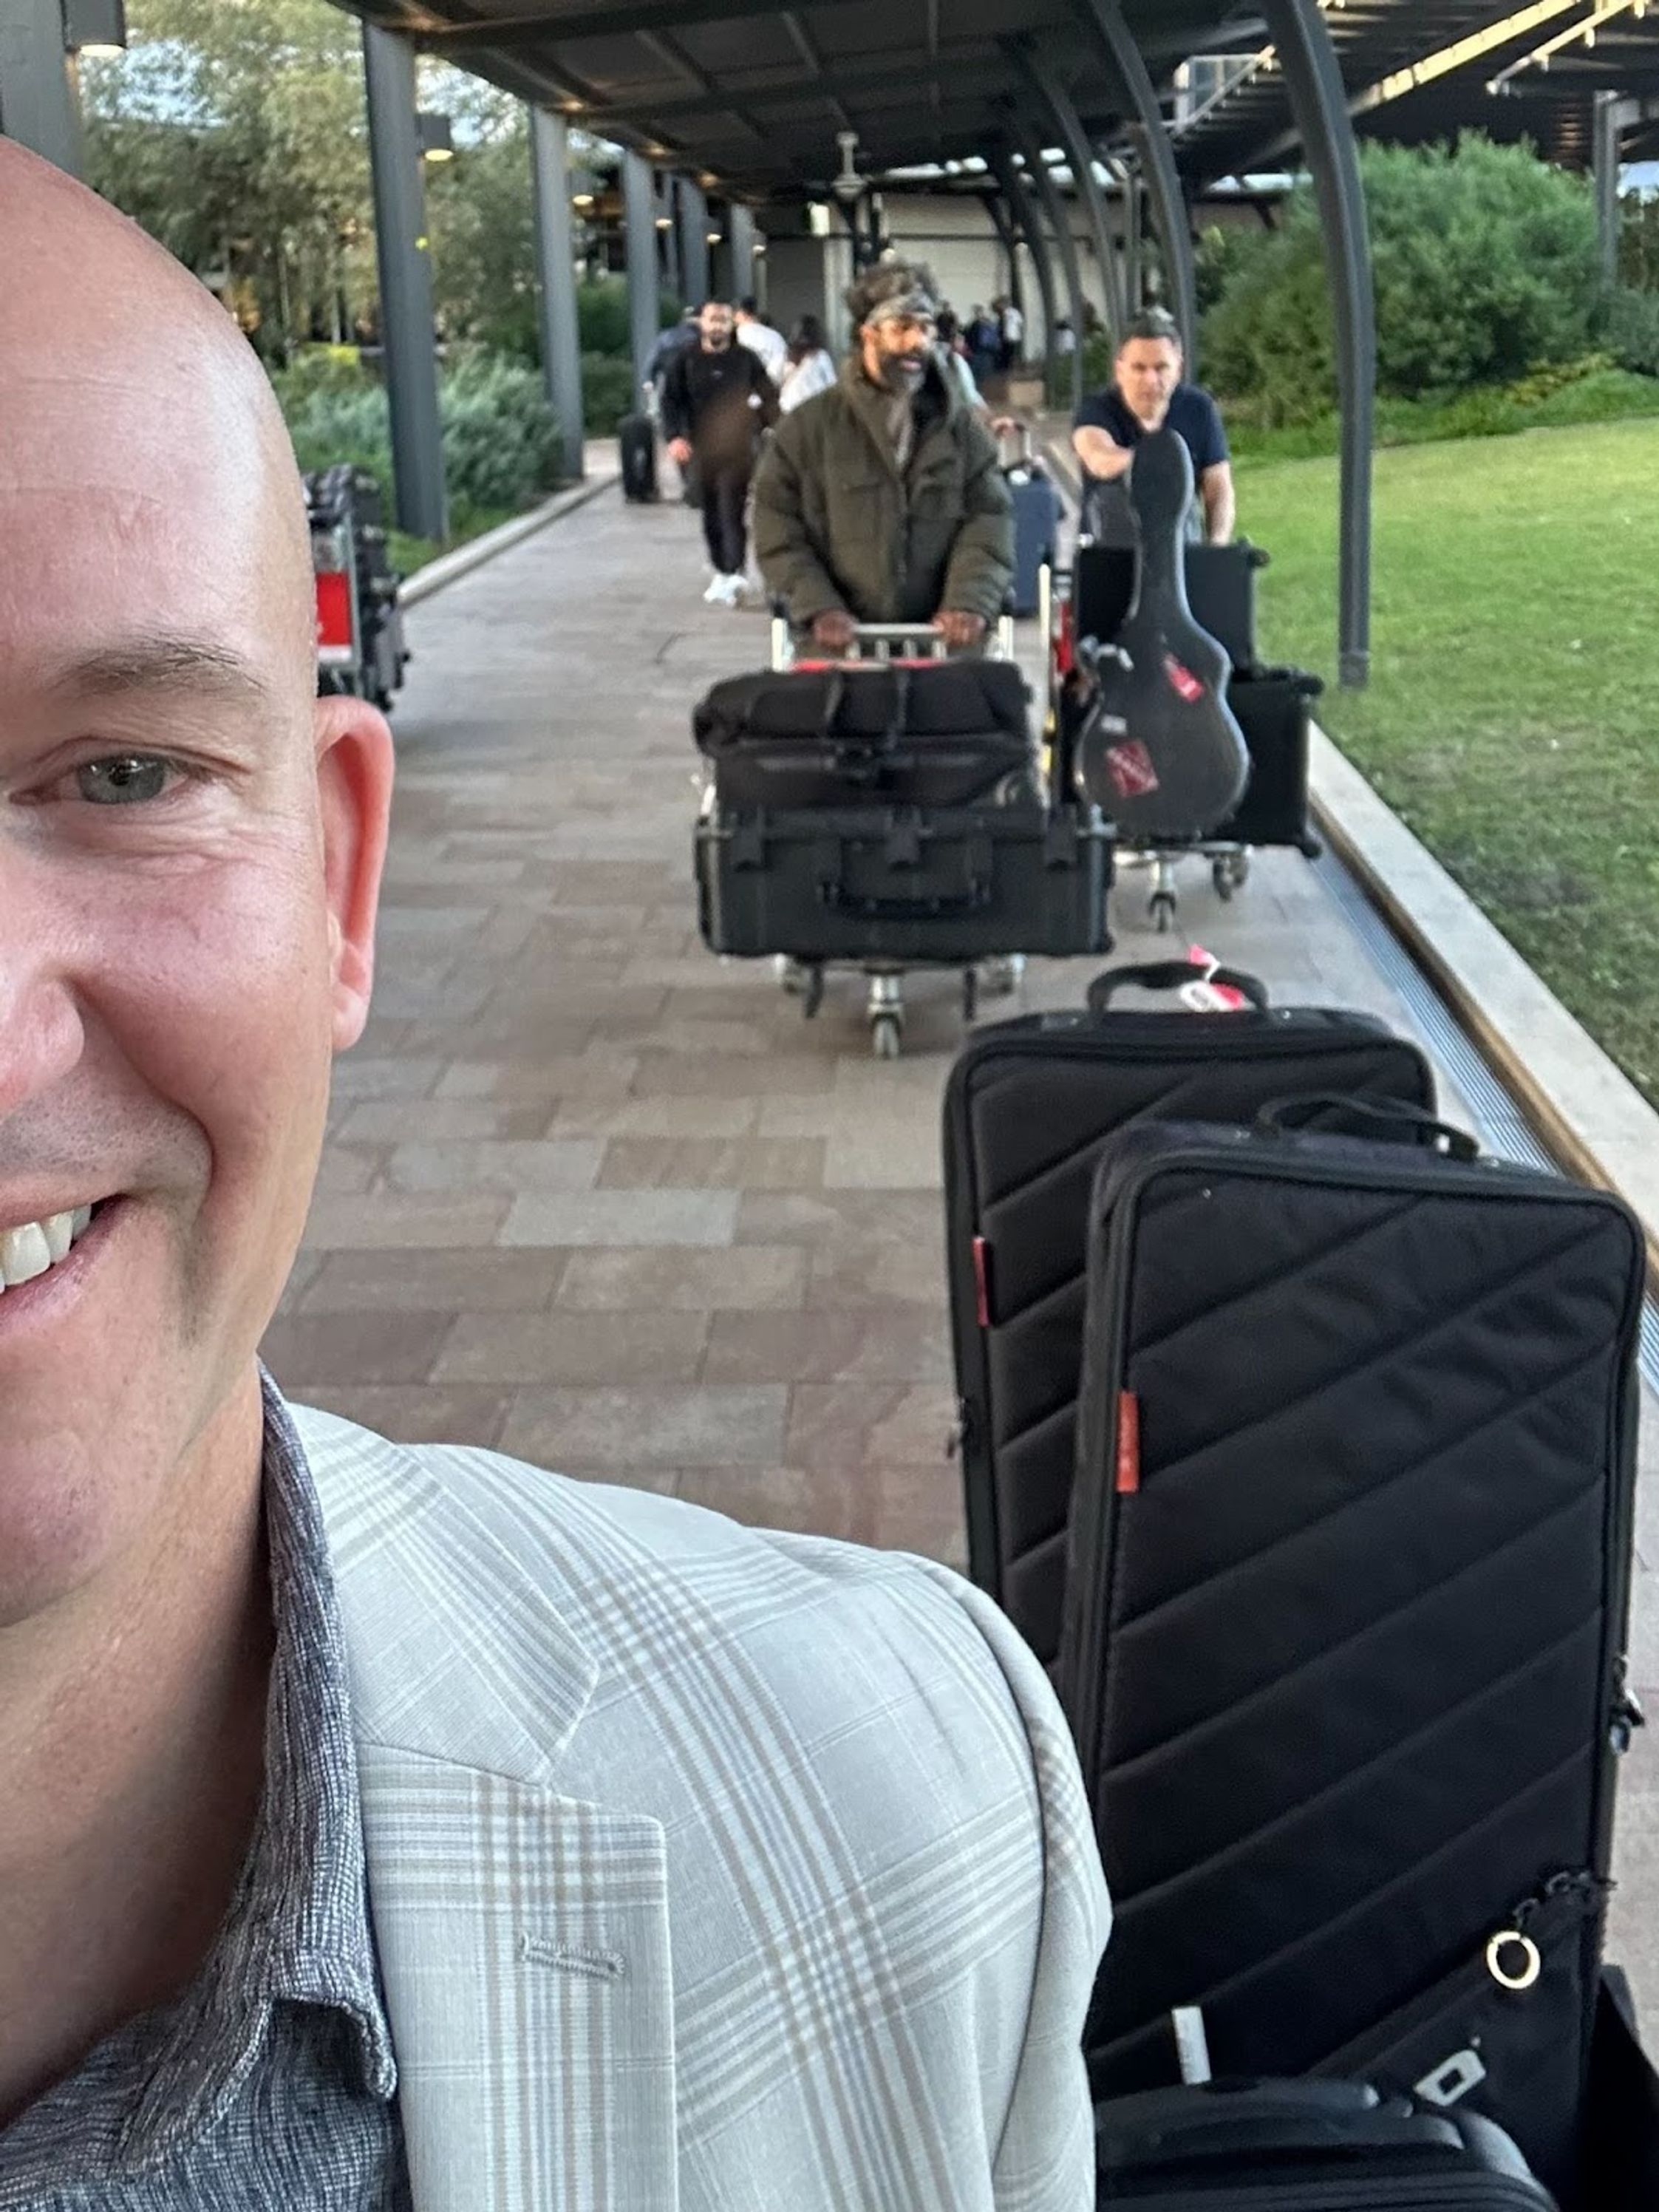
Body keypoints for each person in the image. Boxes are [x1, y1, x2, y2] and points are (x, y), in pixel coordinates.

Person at [0, 139, 1107, 2211]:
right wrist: (810, 619)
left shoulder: (904, 1819)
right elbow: (784, 521)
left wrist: (940, 625)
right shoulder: (800, 436)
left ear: (340, 876)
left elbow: (968, 536)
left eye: (126, 773)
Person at [754, 260, 1015, 652]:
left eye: (925, 328)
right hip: (839, 652)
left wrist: (968, 602)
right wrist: (819, 607)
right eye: (902, 327)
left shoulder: (961, 431)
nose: (917, 343)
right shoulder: (809, 429)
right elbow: (776, 523)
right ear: (868, 334)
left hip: (941, 652)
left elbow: (989, 518)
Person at [1072, 306, 1236, 547]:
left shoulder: (1199, 409)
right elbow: (1098, 458)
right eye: (1139, 368)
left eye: (1161, 368)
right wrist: (1159, 461)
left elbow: (1218, 487)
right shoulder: (1096, 409)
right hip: (1109, 551)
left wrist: (1216, 548)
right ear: (1120, 370)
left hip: (1181, 547)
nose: (1151, 379)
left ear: (1178, 369)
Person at [660, 297, 780, 606]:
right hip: (699, 449)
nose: (718, 326)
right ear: (702, 323)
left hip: (738, 448)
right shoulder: (685, 360)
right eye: (712, 319)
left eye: (724, 320)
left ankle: (734, 569)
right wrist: (674, 437)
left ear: (732, 324)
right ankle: (721, 568)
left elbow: (768, 396)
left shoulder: (746, 360)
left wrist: (776, 428)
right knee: (709, 510)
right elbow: (670, 401)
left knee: (731, 507)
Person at [776, 312, 837, 413]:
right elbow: (832, 385)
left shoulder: (786, 356)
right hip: (814, 410)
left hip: (789, 410)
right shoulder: (820, 356)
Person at [734, 295, 789, 384]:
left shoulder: (733, 337)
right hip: (769, 391)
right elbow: (783, 368)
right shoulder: (775, 337)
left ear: (740, 314)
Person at [998, 296, 1025, 374]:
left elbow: (1003, 325)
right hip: (1013, 335)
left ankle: (1008, 368)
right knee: (1010, 352)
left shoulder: (1006, 313)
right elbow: (1021, 323)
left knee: (1007, 353)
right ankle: (1010, 367)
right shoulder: (1015, 312)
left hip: (1008, 336)